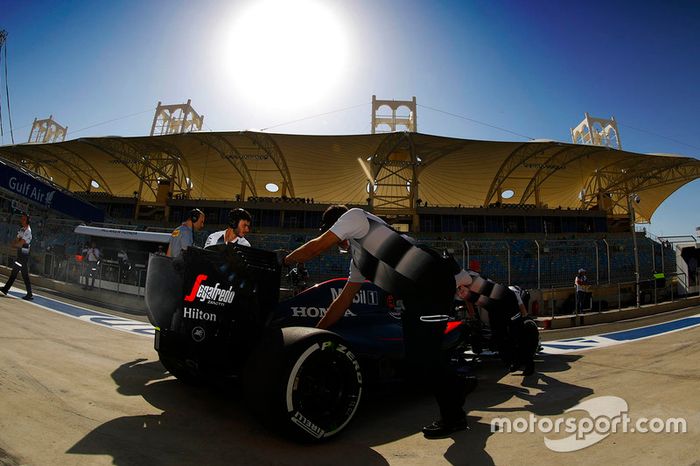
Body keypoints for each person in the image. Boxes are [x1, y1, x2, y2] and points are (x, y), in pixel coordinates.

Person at [283, 205, 472, 439]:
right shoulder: (359, 262)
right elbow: (342, 303)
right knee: (417, 359)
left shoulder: (356, 217)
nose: (336, 240)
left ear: (338, 224)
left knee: (425, 359)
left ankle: (454, 417)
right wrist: (313, 335)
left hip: (431, 286)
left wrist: (284, 261)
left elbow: (316, 247)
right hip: (418, 295)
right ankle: (457, 386)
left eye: (333, 231)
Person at [0, 213, 34, 300]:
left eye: (24, 219)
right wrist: (16, 243)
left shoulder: (28, 231)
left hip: (23, 255)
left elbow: (20, 243)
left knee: (16, 273)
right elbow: (16, 240)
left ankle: (6, 289)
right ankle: (29, 294)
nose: (22, 220)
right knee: (22, 274)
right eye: (21, 219)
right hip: (21, 254)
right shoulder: (22, 229)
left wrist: (16, 244)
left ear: (27, 221)